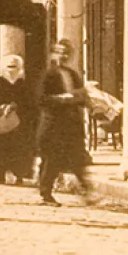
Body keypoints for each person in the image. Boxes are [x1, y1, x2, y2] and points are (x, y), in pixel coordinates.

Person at [36, 40, 98, 207]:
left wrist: (87, 101)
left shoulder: (72, 75)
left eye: (65, 52)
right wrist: (62, 98)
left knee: (77, 159)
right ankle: (45, 194)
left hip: (71, 125)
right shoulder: (48, 75)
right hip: (53, 124)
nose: (62, 56)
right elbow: (41, 99)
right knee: (52, 160)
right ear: (53, 54)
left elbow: (79, 96)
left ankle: (87, 191)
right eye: (59, 52)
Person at [0, 54, 37, 184]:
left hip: (20, 122)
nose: (11, 70)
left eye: (14, 67)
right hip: (3, 119)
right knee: (2, 147)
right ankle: (2, 173)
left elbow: (29, 102)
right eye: (9, 67)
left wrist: (16, 106)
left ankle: (19, 175)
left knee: (20, 149)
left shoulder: (23, 84)